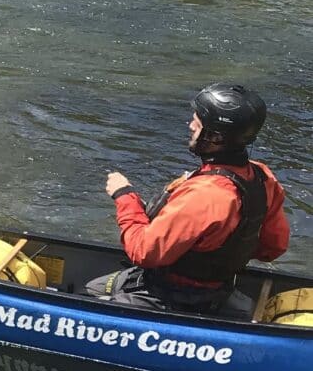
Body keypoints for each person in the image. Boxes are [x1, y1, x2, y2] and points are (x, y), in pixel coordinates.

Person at [85, 83, 289, 317]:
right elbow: (273, 248)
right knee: (94, 287)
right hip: (218, 286)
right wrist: (224, 253)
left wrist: (124, 195)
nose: (190, 125)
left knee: (88, 298)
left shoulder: (206, 195)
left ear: (215, 137)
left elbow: (143, 252)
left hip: (173, 295)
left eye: (197, 123)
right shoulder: (263, 177)